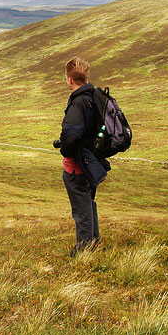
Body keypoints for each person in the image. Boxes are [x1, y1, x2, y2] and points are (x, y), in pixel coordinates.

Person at [58, 56, 110, 256]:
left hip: (77, 166)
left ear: (69, 79)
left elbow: (71, 138)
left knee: (81, 209)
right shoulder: (94, 98)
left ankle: (84, 250)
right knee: (89, 203)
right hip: (93, 163)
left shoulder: (78, 103)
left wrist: (65, 150)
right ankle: (94, 242)